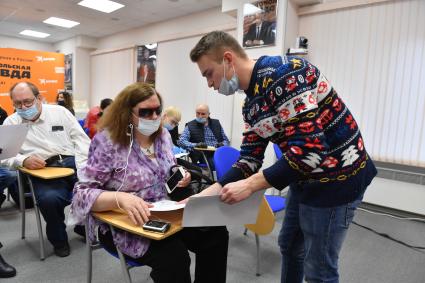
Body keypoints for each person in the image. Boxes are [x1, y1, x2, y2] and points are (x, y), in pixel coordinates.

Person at [189, 31, 377, 283]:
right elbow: (249, 159)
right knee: (289, 245)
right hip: (305, 178)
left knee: (319, 270)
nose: (210, 84)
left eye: (208, 74)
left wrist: (250, 185)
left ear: (227, 59)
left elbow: (310, 151)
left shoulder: (285, 75)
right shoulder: (251, 103)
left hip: (338, 179)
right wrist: (204, 195)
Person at [69, 82, 228, 283]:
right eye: (145, 112)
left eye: (157, 111)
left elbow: (169, 167)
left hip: (167, 211)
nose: (154, 117)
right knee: (175, 258)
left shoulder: (162, 135)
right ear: (127, 113)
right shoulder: (107, 142)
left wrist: (181, 174)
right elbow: (82, 193)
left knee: (215, 233)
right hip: (127, 221)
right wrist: (120, 199)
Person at [1, 81, 90, 257]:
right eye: (17, 104)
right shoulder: (11, 122)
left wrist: (83, 168)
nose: (23, 107)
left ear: (39, 98)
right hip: (42, 168)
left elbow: (82, 141)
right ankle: (59, 240)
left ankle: (81, 226)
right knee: (49, 199)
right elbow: (4, 156)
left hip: (72, 161)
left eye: (28, 101)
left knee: (95, 189)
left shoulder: (60, 112)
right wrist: (23, 159)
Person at [177, 104, 230, 169]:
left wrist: (222, 144)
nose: (200, 116)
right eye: (198, 113)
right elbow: (181, 141)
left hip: (219, 152)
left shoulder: (216, 123)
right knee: (217, 164)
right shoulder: (190, 125)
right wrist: (196, 145)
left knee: (232, 162)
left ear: (208, 114)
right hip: (202, 155)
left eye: (203, 114)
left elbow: (226, 140)